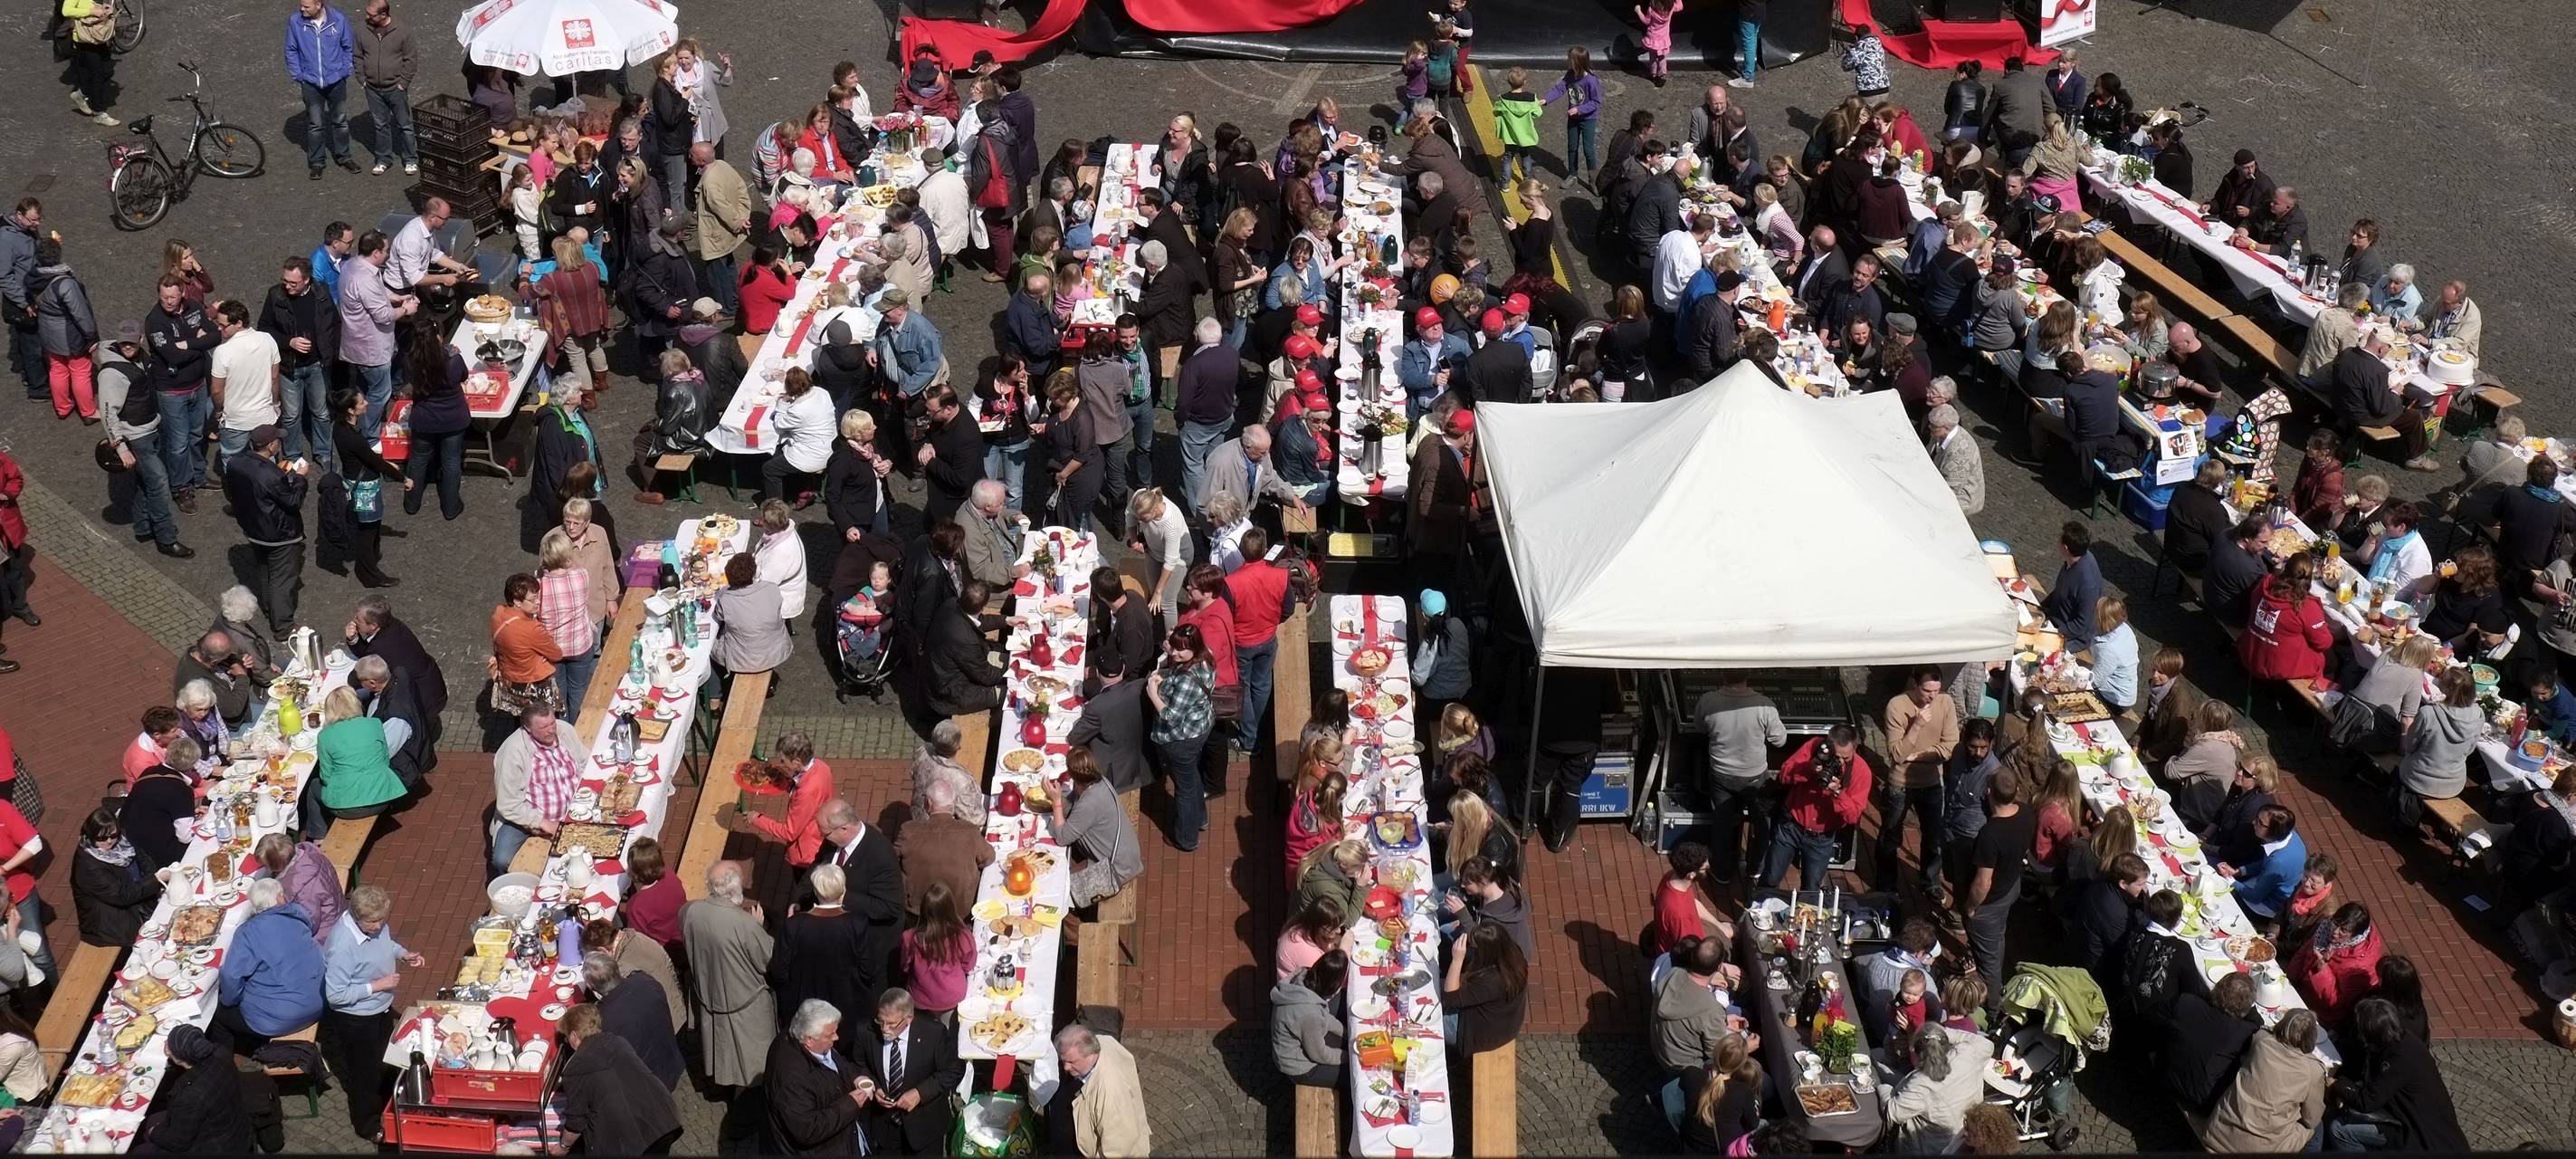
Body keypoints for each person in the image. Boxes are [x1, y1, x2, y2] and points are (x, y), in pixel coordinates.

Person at [318, 884, 418, 1140]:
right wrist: (377, 986)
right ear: (356, 916)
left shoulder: (375, 924)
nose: (379, 926)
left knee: (386, 1060)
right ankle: (368, 1125)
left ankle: (389, 1104)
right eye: (373, 922)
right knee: (364, 1075)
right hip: (357, 1019)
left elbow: (385, 944)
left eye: (382, 919)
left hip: (380, 1009)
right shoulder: (343, 946)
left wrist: (403, 954)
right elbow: (336, 995)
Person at [2325, 998, 2468, 1151]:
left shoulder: (2398, 1059)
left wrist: (2336, 1085)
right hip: (2410, 1115)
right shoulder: (2402, 1041)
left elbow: (2367, 1101)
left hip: (2412, 1130)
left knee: (2339, 1130)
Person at [682, 861, 776, 1089]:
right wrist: (758, 928)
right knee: (753, 1062)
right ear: (733, 891)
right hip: (745, 1004)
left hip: (709, 994)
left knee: (722, 1051)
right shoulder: (745, 924)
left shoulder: (691, 911)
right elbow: (767, 961)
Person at [768, 863, 879, 1057]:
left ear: (816, 890)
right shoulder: (857, 924)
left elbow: (779, 971)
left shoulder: (795, 925)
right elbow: (868, 970)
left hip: (804, 1006)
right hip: (846, 1006)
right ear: (843, 890)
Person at [2195, 1007, 2330, 1152]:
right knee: (2317, 1127)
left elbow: (2267, 1032)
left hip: (2219, 1131)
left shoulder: (2261, 1040)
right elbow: (2311, 1120)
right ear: (2312, 1038)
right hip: (2261, 1147)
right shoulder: (2313, 1071)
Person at [215, 878, 326, 1049]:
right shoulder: (298, 917)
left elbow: (231, 976)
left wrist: (227, 1001)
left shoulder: (248, 932)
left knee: (215, 1011)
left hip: (279, 1019)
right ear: (280, 898)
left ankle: (229, 1060)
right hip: (319, 1001)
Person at [1961, 766, 2036, 1016]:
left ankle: (1994, 1009)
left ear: (1989, 791)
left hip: (1990, 903)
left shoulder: (1990, 835)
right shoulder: (2026, 813)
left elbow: (1983, 883)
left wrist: (1971, 907)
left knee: (1989, 960)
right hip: (2011, 886)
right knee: (1997, 938)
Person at [1760, 726, 1870, 889]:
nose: (1839, 762)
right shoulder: (1815, 747)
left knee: (1811, 890)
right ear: (1828, 745)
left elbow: (1853, 816)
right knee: (1771, 877)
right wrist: (1809, 768)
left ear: (1855, 748)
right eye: (1835, 756)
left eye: (1845, 758)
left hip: (1822, 837)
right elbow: (1784, 775)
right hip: (1791, 825)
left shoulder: (1861, 772)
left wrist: (1838, 792)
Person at [856, 988, 963, 1154]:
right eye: (881, 1021)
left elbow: (951, 1071)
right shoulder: (866, 1032)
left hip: (924, 1129)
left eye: (892, 1024)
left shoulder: (933, 1033)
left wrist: (919, 1093)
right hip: (885, 1129)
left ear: (909, 1019)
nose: (885, 1029)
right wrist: (873, 1086)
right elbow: (858, 1064)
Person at [1881, 667, 1959, 892]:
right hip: (1901, 785)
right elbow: (1897, 755)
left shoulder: (1945, 703)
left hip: (1932, 782)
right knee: (1890, 837)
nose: (1932, 696)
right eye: (1927, 690)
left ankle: (1931, 882)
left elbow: (1950, 745)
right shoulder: (1897, 706)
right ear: (1914, 685)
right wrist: (1916, 725)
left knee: (1934, 836)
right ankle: (1886, 885)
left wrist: (1918, 757)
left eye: (1936, 690)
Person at [488, 704, 586, 876]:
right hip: (528, 818)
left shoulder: (565, 731)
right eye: (543, 727)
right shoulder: (513, 751)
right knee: (501, 859)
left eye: (552, 723)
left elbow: (585, 763)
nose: (551, 731)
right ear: (527, 729)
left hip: (574, 809)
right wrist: (543, 822)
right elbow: (508, 805)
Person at [1049, 747, 1144, 906]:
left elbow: (1062, 837)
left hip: (1117, 869)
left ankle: (1076, 921)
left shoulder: (1090, 802)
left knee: (1063, 895)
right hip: (1127, 856)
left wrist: (1056, 802)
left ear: (1072, 775)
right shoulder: (1100, 782)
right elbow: (1074, 810)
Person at [308, 685, 405, 838]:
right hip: (383, 796)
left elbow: (326, 776)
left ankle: (318, 836)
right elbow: (385, 759)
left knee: (313, 787)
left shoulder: (325, 736)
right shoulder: (374, 724)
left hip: (347, 808)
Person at [2163, 971, 2263, 1116]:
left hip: (2166, 1076)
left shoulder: (2186, 1002)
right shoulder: (2242, 1031)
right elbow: (2257, 1023)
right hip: (2201, 1101)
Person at [1887, 1018, 1993, 1152]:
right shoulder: (1970, 1053)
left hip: (1929, 1148)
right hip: (1964, 1140)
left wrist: (1881, 1088)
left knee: (1877, 1063)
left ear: (1915, 1050)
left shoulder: (1921, 1083)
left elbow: (1893, 1113)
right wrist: (1938, 1034)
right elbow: (1986, 1043)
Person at [143, 1026, 254, 1153]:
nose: (165, 1045)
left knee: (146, 1139)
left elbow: (178, 1142)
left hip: (219, 1146)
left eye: (169, 1045)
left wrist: (154, 1132)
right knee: (155, 1119)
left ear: (178, 1058)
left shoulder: (190, 1094)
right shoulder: (222, 1053)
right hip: (236, 1123)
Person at [284, 0, 359, 178]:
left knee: (340, 120)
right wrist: (298, 75)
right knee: (315, 124)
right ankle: (317, 162)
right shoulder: (296, 21)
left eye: (306, 6)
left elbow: (348, 47)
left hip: (336, 81)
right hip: (311, 83)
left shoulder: (338, 20)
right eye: (301, 5)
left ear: (319, 5)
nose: (302, 9)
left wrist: (344, 70)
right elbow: (291, 50)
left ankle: (344, 156)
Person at [2397, 667, 2482, 823]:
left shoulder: (2428, 713)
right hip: (2453, 783)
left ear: (2449, 689)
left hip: (2418, 779)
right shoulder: (2479, 715)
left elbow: (2409, 746)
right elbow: (2469, 750)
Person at [1650, 934, 1740, 1074]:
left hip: (1663, 1052)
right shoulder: (1712, 1009)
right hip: (1689, 1068)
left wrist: (1724, 1021)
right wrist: (1745, 1046)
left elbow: (1692, 1021)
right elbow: (1717, 1055)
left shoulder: (1673, 974)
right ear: (1719, 967)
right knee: (1767, 1086)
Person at [2289, 901, 2383, 1028]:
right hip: (2299, 991)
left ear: (2356, 935)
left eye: (2343, 930)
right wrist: (2289, 980)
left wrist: (2322, 969)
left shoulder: (2360, 966)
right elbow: (2303, 953)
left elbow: (2336, 1002)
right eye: (2336, 923)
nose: (2335, 932)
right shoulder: (2325, 929)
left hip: (2319, 1015)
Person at [2240, 557, 2334, 683]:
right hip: (2278, 666)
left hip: (2251, 650)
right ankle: (2315, 698)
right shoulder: (2306, 607)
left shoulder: (2265, 584)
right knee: (2332, 661)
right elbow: (2323, 643)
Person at [72, 808, 156, 945]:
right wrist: (155, 881)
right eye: (102, 838)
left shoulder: (121, 839)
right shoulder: (88, 865)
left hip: (138, 899)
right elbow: (121, 895)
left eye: (113, 835)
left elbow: (142, 858)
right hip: (113, 925)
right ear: (91, 835)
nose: (109, 841)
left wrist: (151, 877)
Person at [713, 551, 793, 688]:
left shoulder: (726, 600)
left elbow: (718, 616)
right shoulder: (772, 588)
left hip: (744, 660)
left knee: (708, 649)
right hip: (775, 650)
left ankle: (717, 693)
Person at [1272, 948, 1347, 1087]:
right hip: (1300, 1068)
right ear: (1333, 985)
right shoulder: (1309, 1014)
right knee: (1350, 1076)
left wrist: (1346, 1033)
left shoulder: (1304, 976)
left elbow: (1325, 1017)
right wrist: (1349, 1057)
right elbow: (1320, 1055)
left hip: (1306, 1037)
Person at [2093, 595, 2140, 714]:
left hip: (2113, 700)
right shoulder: (2125, 628)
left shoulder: (2109, 649)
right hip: (2127, 692)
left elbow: (2094, 681)